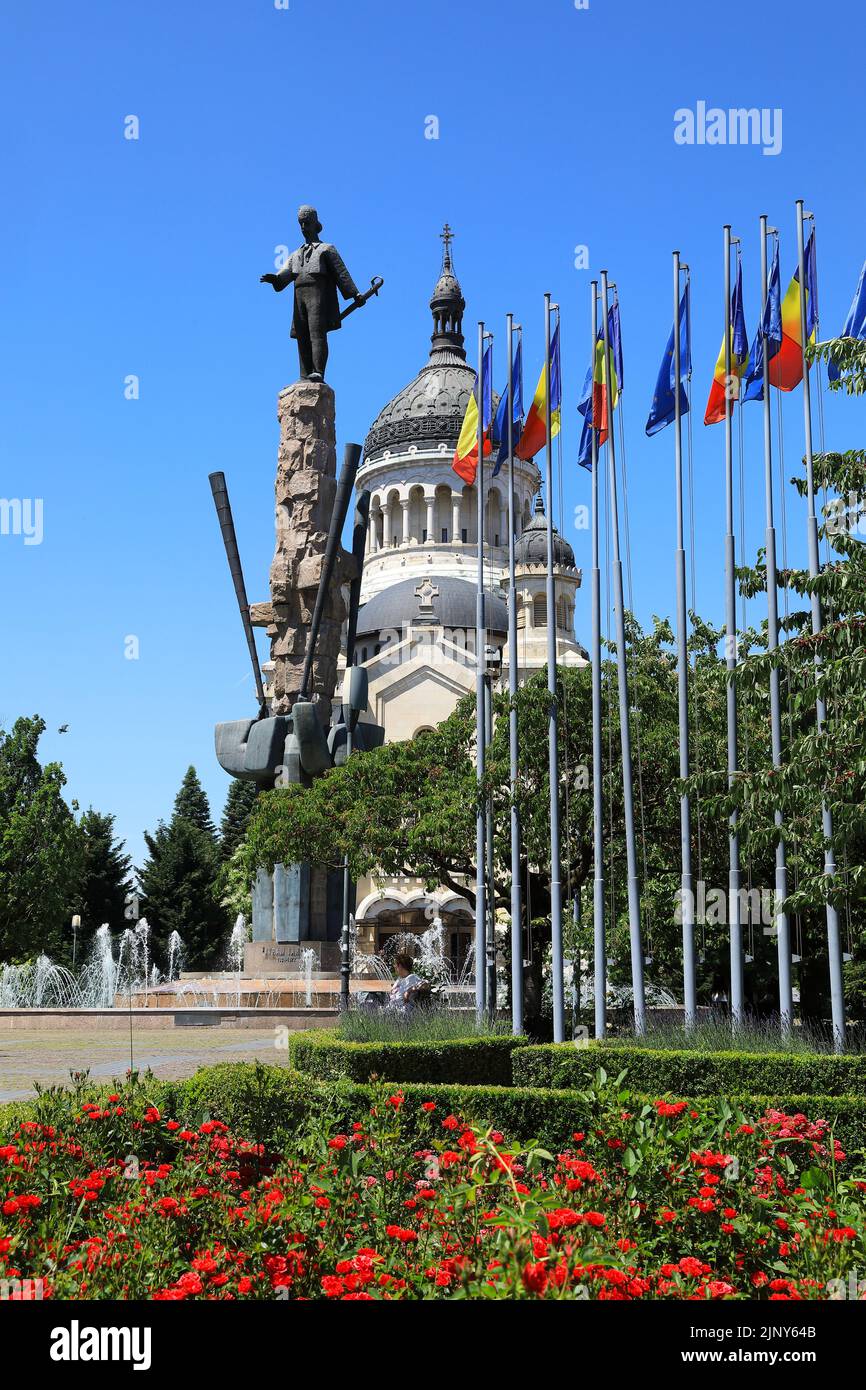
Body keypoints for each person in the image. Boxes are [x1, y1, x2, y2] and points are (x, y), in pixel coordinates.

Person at [260, 205, 364, 381]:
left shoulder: (326, 249)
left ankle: (318, 372)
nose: (303, 227)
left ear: (315, 224)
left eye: (306, 222)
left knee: (316, 333)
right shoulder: (295, 254)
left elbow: (341, 273)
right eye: (300, 223)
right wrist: (275, 280)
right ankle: (304, 374)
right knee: (302, 335)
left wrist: (355, 294)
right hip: (299, 296)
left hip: (318, 295)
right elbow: (284, 276)